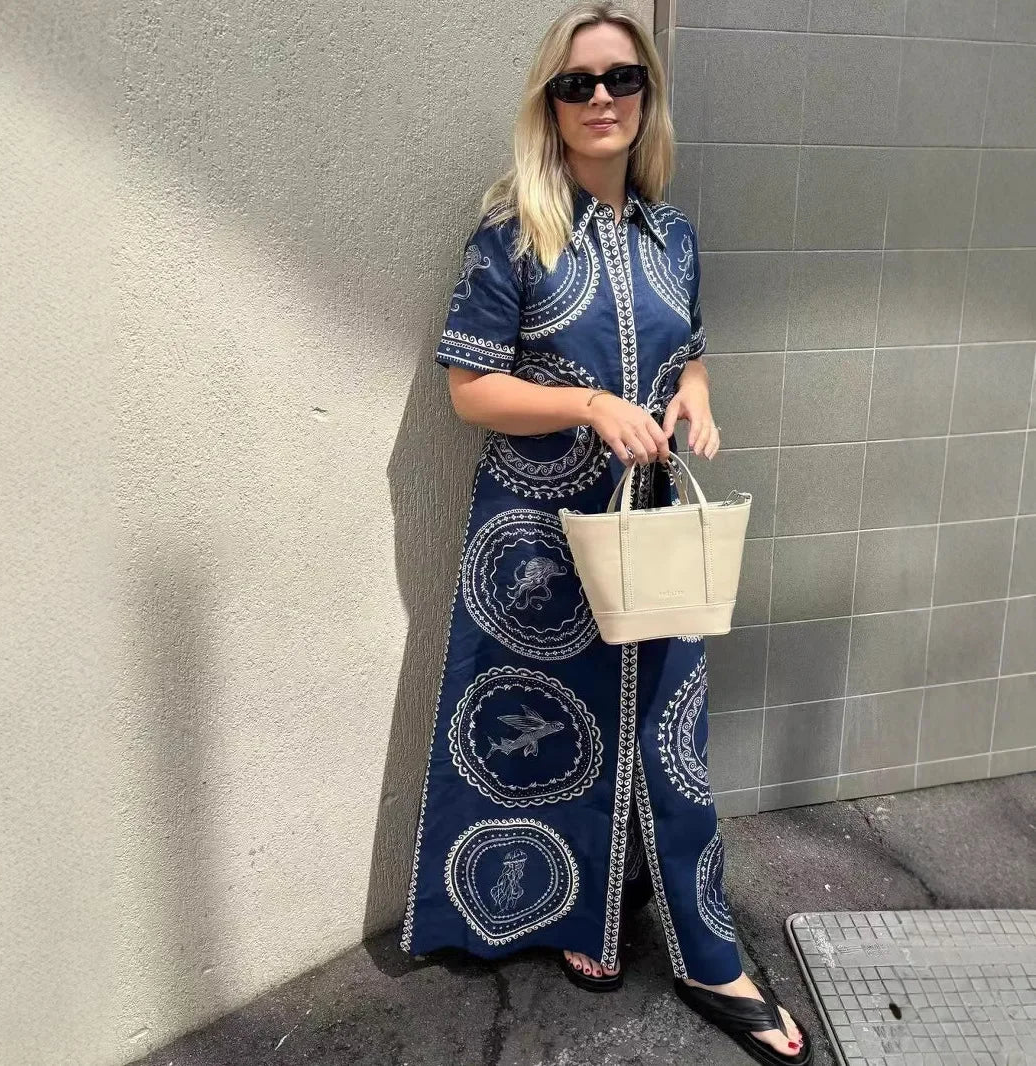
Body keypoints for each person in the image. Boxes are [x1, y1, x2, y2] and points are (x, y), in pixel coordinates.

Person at [399, 4, 811, 1063]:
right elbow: (469, 389)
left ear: (646, 97)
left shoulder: (672, 235)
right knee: (552, 735)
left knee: (669, 736)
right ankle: (575, 918)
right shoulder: (513, 230)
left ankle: (708, 954)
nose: (600, 99)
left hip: (650, 526)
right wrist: (588, 406)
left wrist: (695, 397)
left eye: (621, 79)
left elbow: (691, 350)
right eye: (576, 83)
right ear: (549, 104)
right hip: (535, 540)